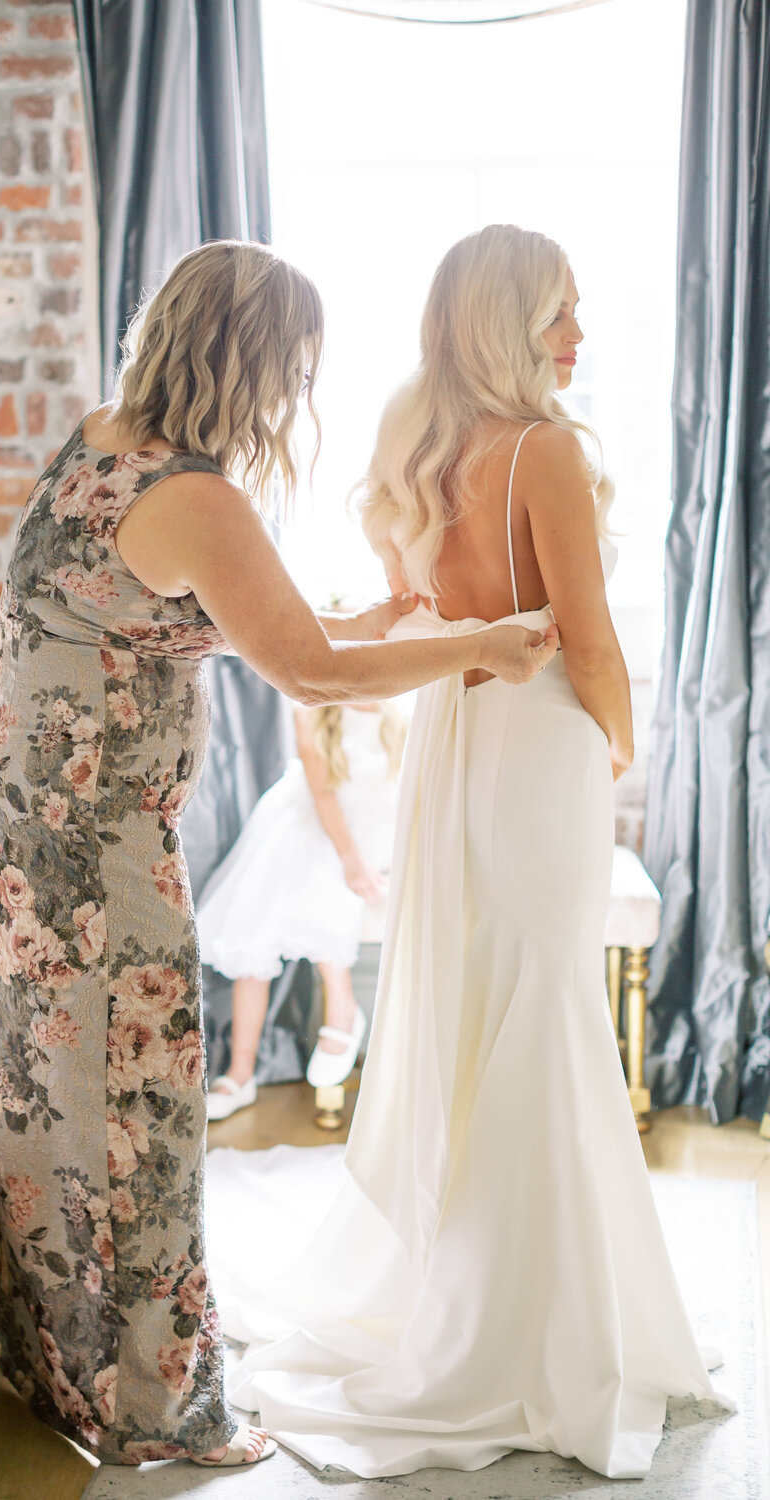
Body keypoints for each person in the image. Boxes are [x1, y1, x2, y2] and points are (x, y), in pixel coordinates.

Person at [0, 239, 557, 1471]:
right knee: (141, 1104)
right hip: (89, 852)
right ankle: (158, 1409)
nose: (294, 397)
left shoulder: (99, 440)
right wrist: (480, 642)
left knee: (52, 1101)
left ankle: (56, 1369)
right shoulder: (195, 498)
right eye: (292, 370)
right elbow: (307, 671)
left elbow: (191, 614)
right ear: (252, 362)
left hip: (17, 818)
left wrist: (359, 619)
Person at [202, 225, 733, 1479]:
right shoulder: (542, 449)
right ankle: (530, 1328)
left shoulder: (410, 432)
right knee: (539, 1005)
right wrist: (619, 742)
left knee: (476, 999)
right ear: (507, 318)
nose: (578, 335)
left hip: (450, 728)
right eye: (561, 309)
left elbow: (418, 600)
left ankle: (479, 1288)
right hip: (537, 729)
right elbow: (588, 638)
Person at [197, 699, 407, 1119]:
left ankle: (342, 1005)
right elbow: (322, 793)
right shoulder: (310, 706)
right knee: (259, 922)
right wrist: (352, 862)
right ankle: (241, 1073)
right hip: (319, 824)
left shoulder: (402, 707)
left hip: (375, 830)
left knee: (321, 881)